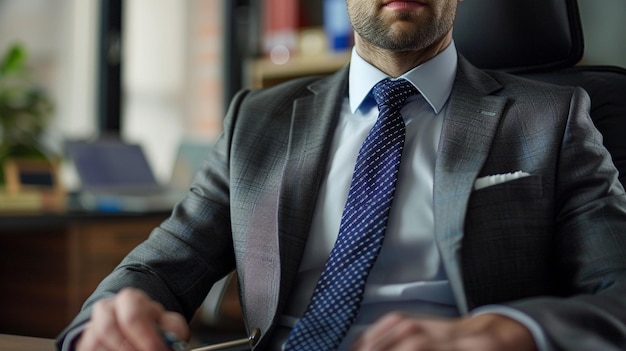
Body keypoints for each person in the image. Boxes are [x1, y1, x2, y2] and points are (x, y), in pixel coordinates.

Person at [57, 0, 626, 350]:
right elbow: (158, 269)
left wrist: (509, 333)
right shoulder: (256, 121)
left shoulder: (550, 117)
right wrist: (101, 329)